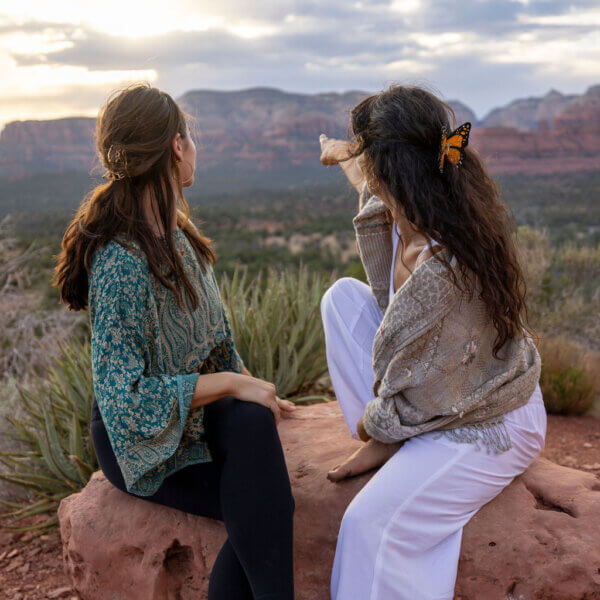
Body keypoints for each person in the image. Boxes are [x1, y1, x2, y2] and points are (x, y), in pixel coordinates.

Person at [53, 82, 296, 600]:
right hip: (139, 442)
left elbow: (216, 345)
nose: (195, 148)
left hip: (190, 421)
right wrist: (230, 382)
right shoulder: (120, 261)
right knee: (258, 502)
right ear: (176, 148)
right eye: (192, 136)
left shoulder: (177, 235)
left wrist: (251, 385)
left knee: (254, 451)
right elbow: (125, 402)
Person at [318, 84, 547, 600]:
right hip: (441, 385)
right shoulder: (410, 205)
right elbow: (363, 182)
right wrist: (344, 153)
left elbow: (414, 393)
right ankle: (395, 446)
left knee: (371, 525)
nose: (363, 169)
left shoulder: (441, 273)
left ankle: (390, 446)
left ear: (391, 169)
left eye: (367, 155)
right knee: (342, 300)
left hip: (487, 415)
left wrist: (374, 427)